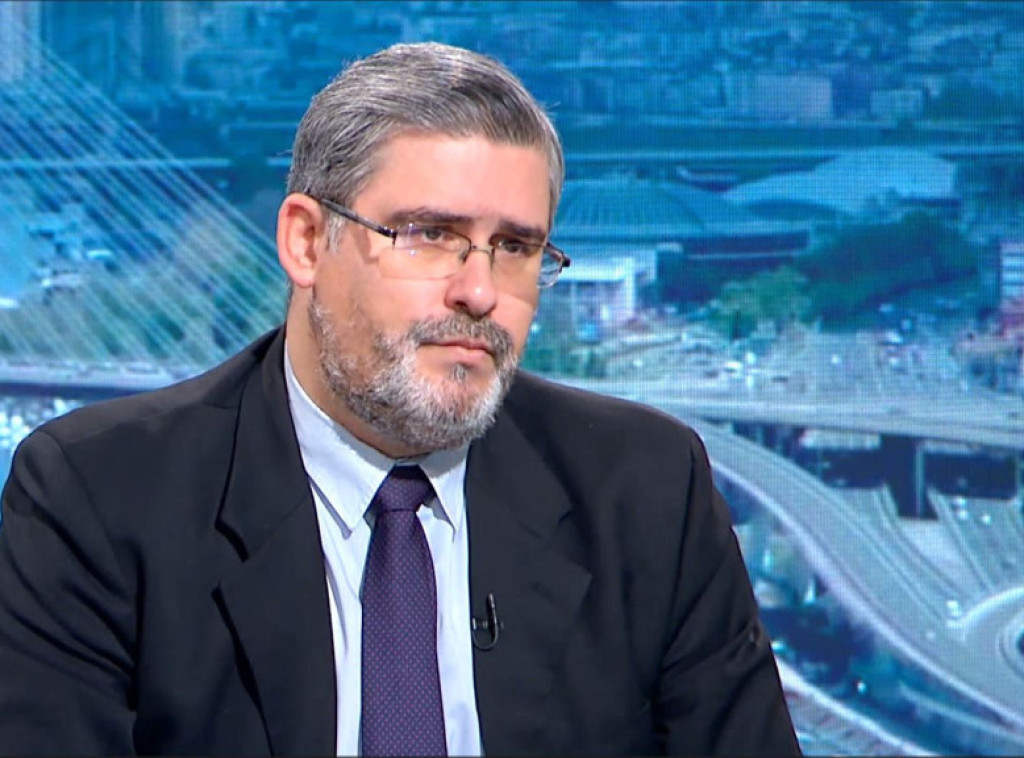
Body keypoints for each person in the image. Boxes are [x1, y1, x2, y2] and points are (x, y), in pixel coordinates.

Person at [0, 42, 799, 756]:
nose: (480, 291)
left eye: (515, 248)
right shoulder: (101, 496)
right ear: (306, 242)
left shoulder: (644, 490)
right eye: (429, 235)